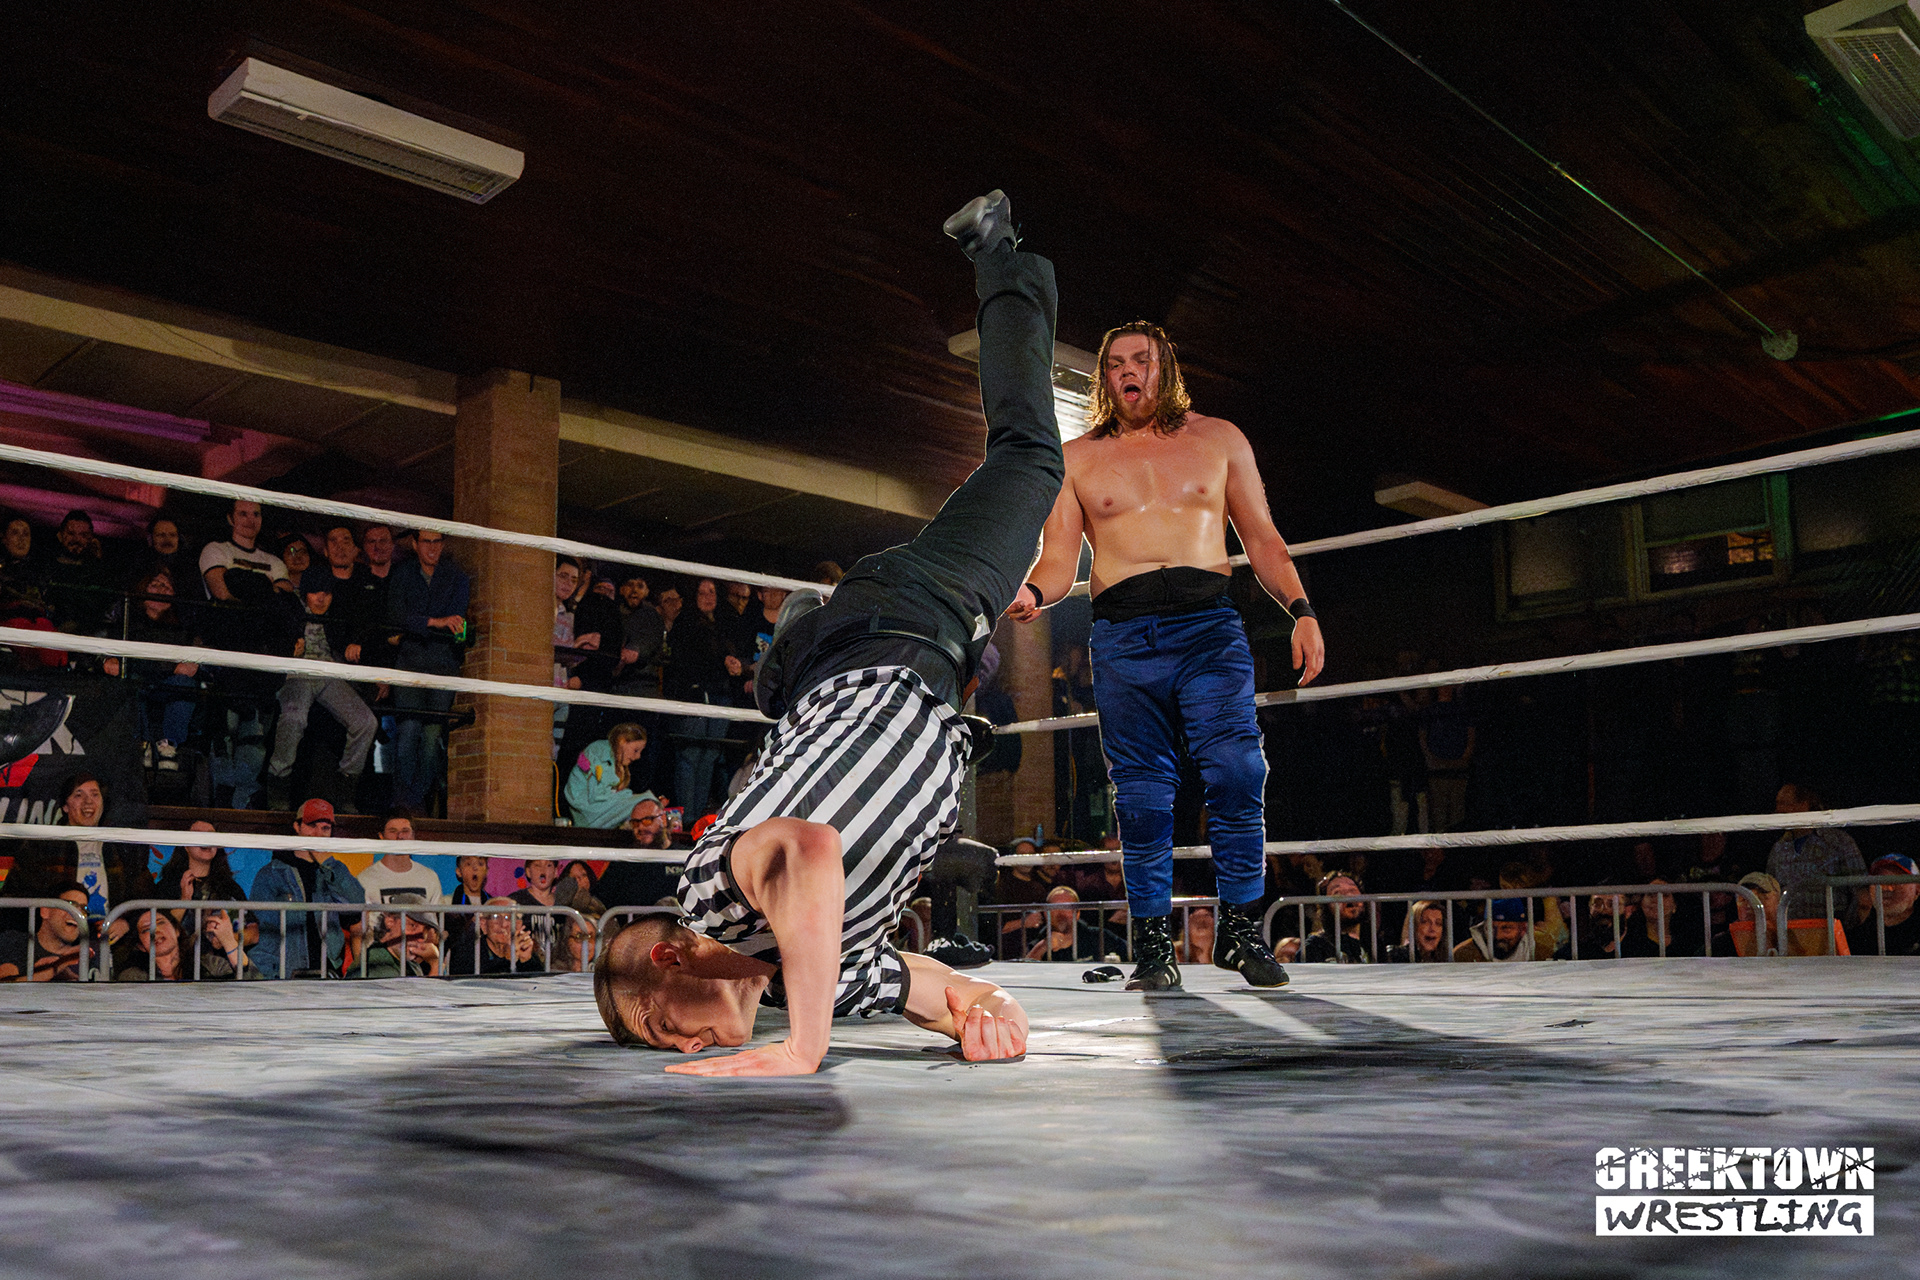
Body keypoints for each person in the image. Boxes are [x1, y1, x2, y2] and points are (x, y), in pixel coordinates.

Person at [594, 192, 1057, 1074]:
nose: (685, 1046)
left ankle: (999, 253)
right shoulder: (831, 977)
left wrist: (806, 1048)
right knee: (791, 694)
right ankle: (795, 641)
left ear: (668, 958)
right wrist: (991, 1016)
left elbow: (810, 850)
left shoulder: (714, 895)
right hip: (886, 661)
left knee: (1033, 458)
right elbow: (952, 989)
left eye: (660, 1024)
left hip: (903, 623)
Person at [1006, 316, 1323, 993]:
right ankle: (1153, 949)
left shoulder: (1219, 439)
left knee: (1237, 769)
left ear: (1165, 368)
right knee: (1143, 798)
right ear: (1104, 378)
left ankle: (1241, 932)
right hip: (1124, 637)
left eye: (1141, 359)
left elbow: (1263, 538)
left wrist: (1301, 609)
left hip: (1209, 628)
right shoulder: (1076, 457)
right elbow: (1059, 558)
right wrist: (1032, 592)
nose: (1128, 371)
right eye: (1115, 362)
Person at [200, 499, 299, 810]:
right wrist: (265, 592)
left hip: (263, 661)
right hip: (229, 654)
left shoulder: (275, 560)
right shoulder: (215, 550)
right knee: (225, 733)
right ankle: (222, 805)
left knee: (254, 737)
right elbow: (223, 592)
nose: (249, 519)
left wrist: (246, 585)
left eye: (255, 514)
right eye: (242, 513)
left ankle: (241, 805)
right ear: (231, 518)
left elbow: (286, 603)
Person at [261, 568, 378, 812]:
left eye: (327, 593)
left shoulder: (338, 609)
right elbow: (269, 627)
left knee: (366, 722)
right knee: (294, 718)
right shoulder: (289, 606)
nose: (321, 598)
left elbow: (363, 622)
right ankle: (278, 781)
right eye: (315, 592)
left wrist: (356, 641)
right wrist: (287, 648)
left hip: (329, 673)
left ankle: (346, 789)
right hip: (297, 673)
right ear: (305, 593)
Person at [387, 529, 469, 812]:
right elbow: (397, 616)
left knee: (433, 735)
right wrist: (434, 621)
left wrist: (420, 622)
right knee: (408, 730)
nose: (432, 547)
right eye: (426, 542)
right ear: (415, 544)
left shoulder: (456, 577)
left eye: (437, 542)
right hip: (410, 660)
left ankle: (418, 800)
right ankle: (402, 802)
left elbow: (456, 619)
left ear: (443, 544)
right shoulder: (403, 574)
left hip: (443, 662)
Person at [247, 798, 366, 978]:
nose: (318, 834)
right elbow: (264, 935)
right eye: (312, 825)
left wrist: (328, 863)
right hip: (288, 976)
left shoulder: (334, 870)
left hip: (329, 973)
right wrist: (271, 978)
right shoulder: (272, 873)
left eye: (325, 828)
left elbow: (357, 905)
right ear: (297, 826)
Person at [102, 567, 200, 771]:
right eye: (154, 585)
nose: (160, 590)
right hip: (136, 679)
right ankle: (141, 744)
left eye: (166, 587)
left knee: (184, 683)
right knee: (128, 682)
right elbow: (109, 654)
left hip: (166, 682)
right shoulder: (126, 622)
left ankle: (168, 747)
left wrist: (193, 663)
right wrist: (108, 660)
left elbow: (195, 659)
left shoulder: (183, 627)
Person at [664, 578, 743, 819]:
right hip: (695, 694)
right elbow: (688, 658)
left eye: (712, 592)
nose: (708, 597)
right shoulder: (685, 623)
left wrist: (735, 663)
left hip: (721, 693)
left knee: (709, 756)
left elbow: (735, 652)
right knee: (690, 755)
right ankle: (687, 819)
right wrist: (721, 661)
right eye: (702, 592)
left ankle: (697, 818)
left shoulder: (725, 623)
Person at [1766, 784, 1865, 923]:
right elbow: (1772, 891)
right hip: (1790, 931)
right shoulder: (1779, 848)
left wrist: (1854, 928)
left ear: (1803, 805)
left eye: (1784, 803)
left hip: (1831, 930)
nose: (1778, 810)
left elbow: (1862, 891)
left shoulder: (1838, 842)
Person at [592, 795, 687, 911]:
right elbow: (600, 900)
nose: (641, 827)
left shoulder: (685, 857)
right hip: (632, 922)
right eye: (635, 823)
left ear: (662, 819)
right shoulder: (624, 861)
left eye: (647, 820)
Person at [116, 906, 255, 981]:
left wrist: (229, 941)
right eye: (146, 929)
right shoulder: (133, 977)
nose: (155, 931)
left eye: (160, 923)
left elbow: (253, 983)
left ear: (177, 930)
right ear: (141, 946)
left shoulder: (210, 965)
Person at [565, 722, 650, 828]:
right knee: (647, 799)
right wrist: (626, 796)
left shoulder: (614, 759)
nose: (638, 756)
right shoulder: (600, 751)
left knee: (645, 803)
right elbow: (597, 796)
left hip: (594, 813)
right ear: (622, 741)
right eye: (635, 750)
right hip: (590, 813)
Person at [0, 881, 89, 981]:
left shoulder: (88, 954)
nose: (77, 914)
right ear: (45, 911)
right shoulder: (14, 942)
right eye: (70, 905)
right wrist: (53, 969)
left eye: (83, 909)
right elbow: (6, 985)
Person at [355, 808, 446, 906]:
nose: (400, 836)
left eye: (405, 831)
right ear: (381, 836)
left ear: (413, 836)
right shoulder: (365, 879)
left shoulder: (430, 877)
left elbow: (437, 915)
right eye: (393, 831)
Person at [1023, 885, 1127, 962]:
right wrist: (1043, 946)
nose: (1061, 913)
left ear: (1077, 914)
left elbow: (1132, 955)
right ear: (1046, 914)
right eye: (1055, 908)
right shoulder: (1037, 942)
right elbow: (1025, 973)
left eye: (1067, 907)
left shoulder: (1100, 937)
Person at [445, 898, 542, 976]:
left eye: (509, 917)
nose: (503, 924)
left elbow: (539, 985)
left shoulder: (524, 948)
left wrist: (526, 960)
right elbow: (469, 983)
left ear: (518, 925)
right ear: (483, 925)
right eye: (495, 917)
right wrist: (507, 960)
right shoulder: (466, 951)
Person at [1858, 853, 1920, 956]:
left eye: (1897, 881)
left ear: (1917, 889)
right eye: (1879, 881)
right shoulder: (1860, 936)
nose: (1886, 888)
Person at [1302, 871, 1370, 963]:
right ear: (1326, 906)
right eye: (1337, 893)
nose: (1348, 896)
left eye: (1352, 890)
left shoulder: (1373, 942)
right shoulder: (1316, 946)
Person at [1452, 897, 1545, 962]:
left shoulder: (1541, 952)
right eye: (1491, 928)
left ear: (1523, 929)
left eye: (1506, 929)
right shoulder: (1464, 954)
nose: (1498, 936)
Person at [1384, 899, 1449, 963]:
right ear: (1413, 926)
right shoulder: (1396, 957)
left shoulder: (1447, 959)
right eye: (1425, 922)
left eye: (1438, 923)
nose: (1432, 929)